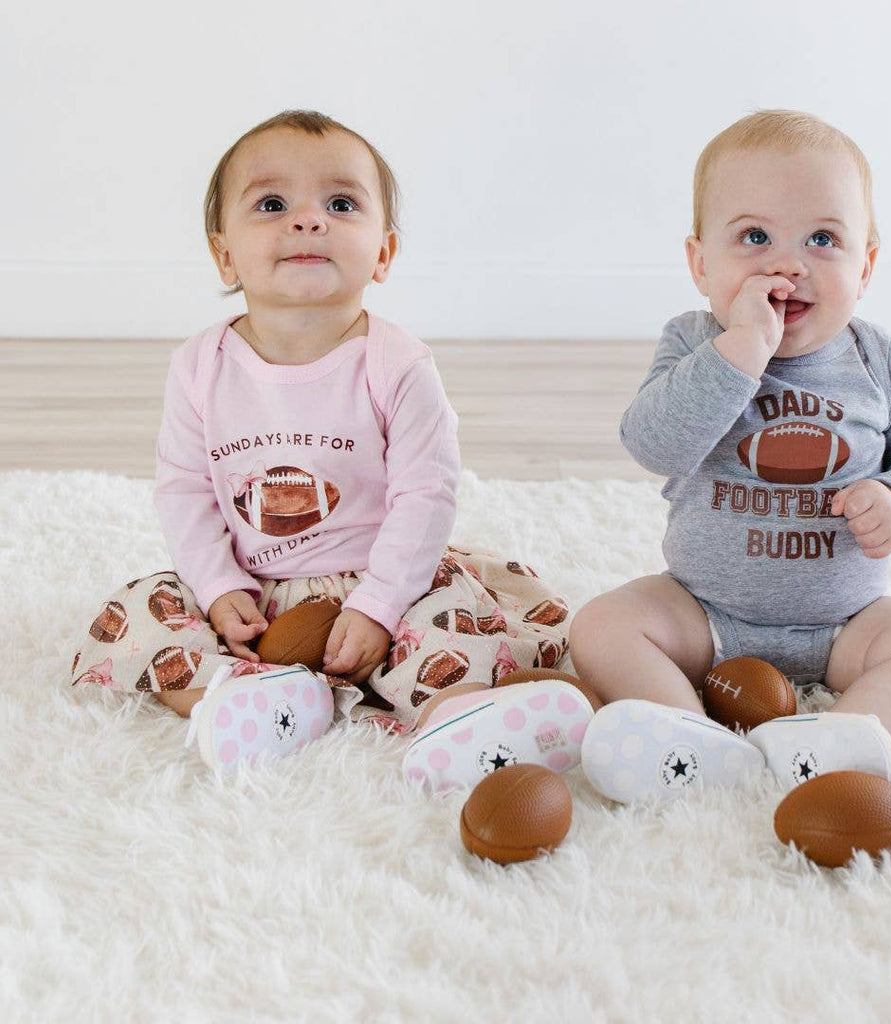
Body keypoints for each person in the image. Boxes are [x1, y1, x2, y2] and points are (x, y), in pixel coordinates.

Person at [70, 110, 585, 778]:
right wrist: (220, 586)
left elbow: (425, 496)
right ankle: (242, 701)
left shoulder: (397, 364)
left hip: (384, 581)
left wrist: (378, 605)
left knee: (453, 627)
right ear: (224, 252)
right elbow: (184, 489)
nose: (308, 220)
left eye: (340, 203)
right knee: (142, 613)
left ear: (383, 252)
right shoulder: (200, 366)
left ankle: (458, 722)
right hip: (255, 592)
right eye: (273, 203)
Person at [570, 110, 891, 803]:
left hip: (847, 623)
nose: (788, 264)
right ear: (702, 265)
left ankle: (839, 743)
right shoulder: (695, 342)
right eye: (754, 237)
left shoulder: (876, 358)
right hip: (702, 610)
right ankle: (686, 736)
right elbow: (652, 444)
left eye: (823, 238)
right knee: (602, 627)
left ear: (865, 265)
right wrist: (740, 352)